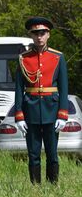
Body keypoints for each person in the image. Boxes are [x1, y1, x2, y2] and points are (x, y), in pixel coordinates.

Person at [14, 17, 68, 184]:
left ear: (48, 35)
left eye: (42, 33)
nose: (39, 37)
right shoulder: (23, 59)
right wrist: (19, 115)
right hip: (30, 110)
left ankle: (53, 185)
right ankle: (35, 187)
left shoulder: (58, 57)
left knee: (52, 154)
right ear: (31, 35)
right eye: (36, 33)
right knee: (33, 154)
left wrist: (63, 114)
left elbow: (64, 87)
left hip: (52, 110)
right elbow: (18, 89)